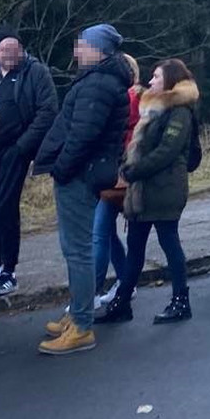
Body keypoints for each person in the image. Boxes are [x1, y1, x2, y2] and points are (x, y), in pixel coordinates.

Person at [33, 24, 132, 355]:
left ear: (98, 49)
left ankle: (81, 325)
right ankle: (78, 315)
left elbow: (83, 134)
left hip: (79, 174)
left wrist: (61, 169)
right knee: (75, 248)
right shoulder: (100, 80)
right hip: (82, 172)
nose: (76, 50)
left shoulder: (99, 83)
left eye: (82, 45)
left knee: (77, 250)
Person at [98, 60, 199, 325]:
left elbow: (167, 151)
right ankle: (122, 302)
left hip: (165, 188)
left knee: (169, 242)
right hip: (143, 189)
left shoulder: (180, 112)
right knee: (135, 248)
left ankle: (181, 300)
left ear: (170, 80)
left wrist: (134, 170)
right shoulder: (153, 108)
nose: (151, 81)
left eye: (156, 77)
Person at [0, 29, 58, 298]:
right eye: (4, 49)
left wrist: (23, 146)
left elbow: (47, 110)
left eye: (15, 49)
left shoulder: (35, 72)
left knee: (5, 207)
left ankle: (9, 270)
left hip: (15, 149)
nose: (10, 54)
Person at [93, 54, 143, 307]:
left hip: (116, 173)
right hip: (120, 172)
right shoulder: (135, 97)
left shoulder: (128, 98)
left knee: (100, 232)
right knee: (108, 233)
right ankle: (125, 281)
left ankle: (92, 289)